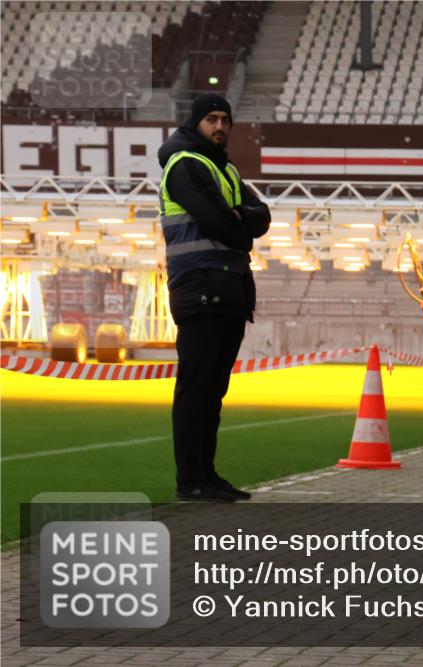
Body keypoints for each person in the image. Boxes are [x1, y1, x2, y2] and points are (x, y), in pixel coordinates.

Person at [158, 93, 271, 502]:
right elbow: (224, 224)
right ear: (195, 122)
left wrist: (242, 220)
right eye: (211, 118)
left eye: (225, 119)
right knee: (197, 389)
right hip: (199, 287)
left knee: (213, 392)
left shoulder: (224, 168)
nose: (219, 126)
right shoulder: (185, 164)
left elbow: (262, 216)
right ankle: (191, 480)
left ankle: (207, 475)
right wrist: (242, 223)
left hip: (227, 290)